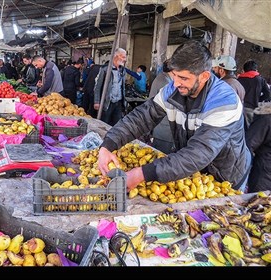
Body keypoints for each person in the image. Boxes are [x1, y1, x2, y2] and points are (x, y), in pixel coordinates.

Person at [97, 40, 251, 193]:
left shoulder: (224, 102)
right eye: (175, 76)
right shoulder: (172, 90)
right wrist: (108, 145)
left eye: (183, 78)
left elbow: (198, 154)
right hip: (193, 175)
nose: (176, 83)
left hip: (225, 178)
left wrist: (141, 174)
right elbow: (141, 118)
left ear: (204, 76)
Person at [93, 48, 128, 126]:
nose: (125, 59)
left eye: (125, 57)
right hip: (107, 102)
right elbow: (97, 86)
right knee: (104, 124)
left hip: (118, 102)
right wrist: (97, 101)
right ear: (116, 56)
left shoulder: (123, 70)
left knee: (116, 125)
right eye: (123, 57)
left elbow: (122, 86)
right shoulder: (105, 69)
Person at [148, 59, 175, 154]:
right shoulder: (165, 82)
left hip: (163, 129)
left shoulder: (166, 79)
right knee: (161, 158)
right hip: (164, 130)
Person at [238, 60, 271, 129]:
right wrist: (258, 99)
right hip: (252, 108)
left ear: (244, 70)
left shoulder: (239, 79)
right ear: (256, 70)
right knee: (249, 129)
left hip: (239, 107)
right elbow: (268, 94)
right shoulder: (260, 79)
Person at [246, 103, 271, 193]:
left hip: (264, 175)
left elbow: (248, 144)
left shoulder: (266, 120)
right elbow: (249, 144)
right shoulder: (267, 120)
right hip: (265, 176)